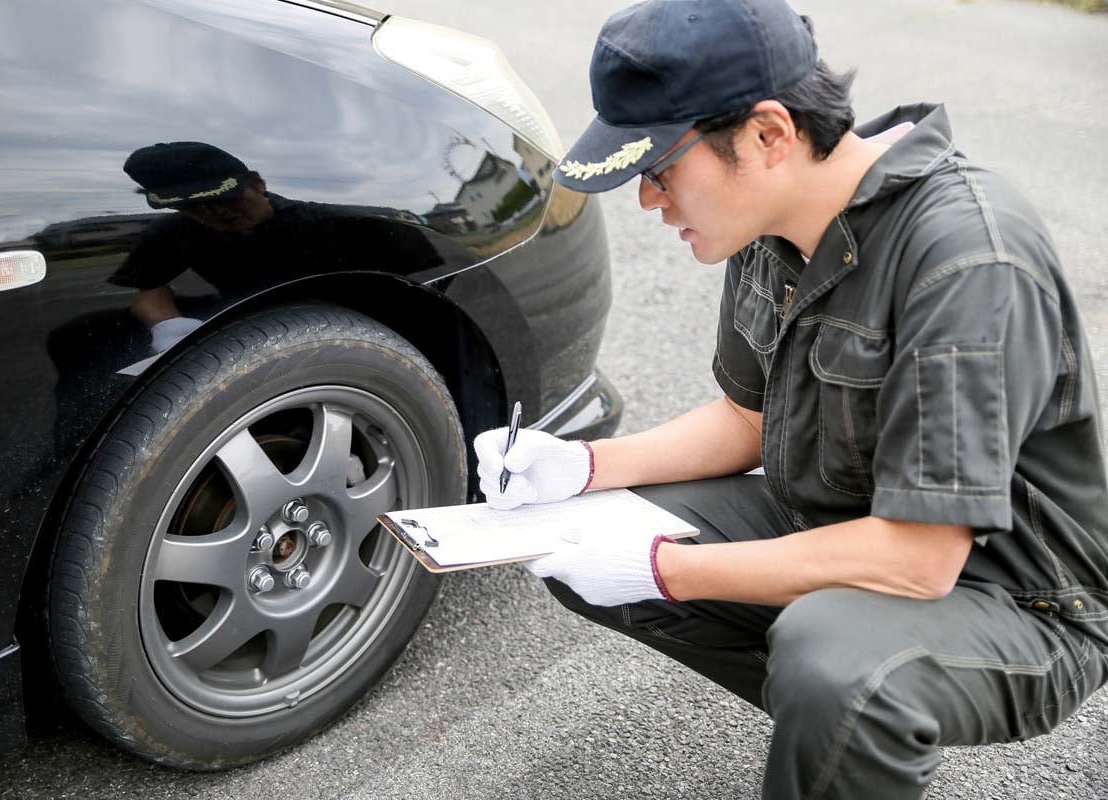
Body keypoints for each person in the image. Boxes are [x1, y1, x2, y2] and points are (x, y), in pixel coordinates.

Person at [473, 1, 1108, 797]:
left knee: (831, 658)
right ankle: (855, 739)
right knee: (571, 538)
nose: (647, 201)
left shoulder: (968, 255)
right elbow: (746, 418)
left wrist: (664, 569)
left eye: (661, 169)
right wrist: (576, 467)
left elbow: (917, 561)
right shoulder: (769, 224)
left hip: (1018, 597)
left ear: (770, 134)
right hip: (854, 528)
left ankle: (862, 705)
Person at [112, 142, 442, 353]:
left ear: (258, 185)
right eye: (195, 208)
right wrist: (169, 327)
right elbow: (149, 289)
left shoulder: (345, 222)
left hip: (361, 322)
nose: (215, 213)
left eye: (226, 198)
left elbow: (429, 287)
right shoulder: (177, 230)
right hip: (249, 324)